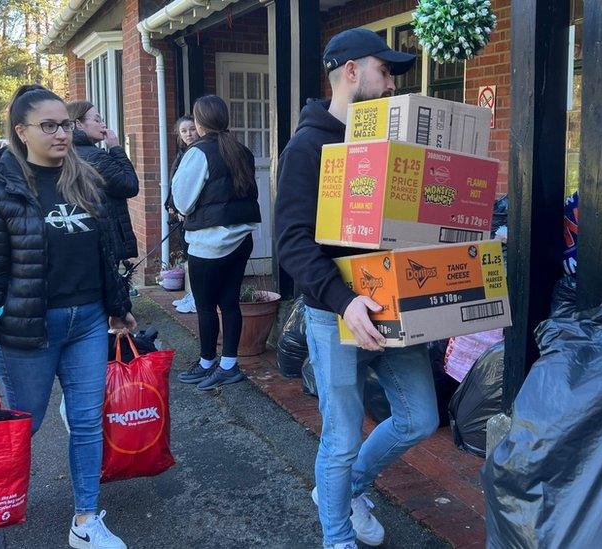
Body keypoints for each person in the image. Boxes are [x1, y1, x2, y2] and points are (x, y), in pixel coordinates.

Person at [274, 28, 437, 549]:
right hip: (334, 312)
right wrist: (345, 303)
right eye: (384, 70)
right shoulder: (308, 146)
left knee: (420, 419)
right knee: (341, 438)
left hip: (390, 303)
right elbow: (292, 245)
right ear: (350, 71)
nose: (390, 83)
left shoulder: (385, 143)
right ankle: (337, 536)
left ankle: (346, 492)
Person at [0, 84, 136, 549]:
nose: (61, 134)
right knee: (25, 423)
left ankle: (85, 519)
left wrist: (119, 309)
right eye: (49, 125)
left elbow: (105, 251)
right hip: (27, 331)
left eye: (66, 125)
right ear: (21, 131)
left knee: (86, 420)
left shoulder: (85, 176)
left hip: (90, 322)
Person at [171, 95, 260, 391]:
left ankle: (208, 362)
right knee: (230, 303)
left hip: (208, 243)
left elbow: (183, 200)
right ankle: (228, 365)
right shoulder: (242, 151)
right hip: (241, 239)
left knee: (206, 306)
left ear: (200, 121)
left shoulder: (198, 152)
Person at [67, 101, 139, 264]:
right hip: (106, 238)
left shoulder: (69, 153)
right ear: (78, 124)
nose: (103, 124)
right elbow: (130, 186)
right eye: (97, 120)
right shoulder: (95, 156)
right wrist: (115, 148)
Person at [167, 116, 200, 314]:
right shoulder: (182, 153)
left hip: (191, 215)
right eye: (184, 131)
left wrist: (182, 208)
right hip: (180, 214)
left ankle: (197, 298)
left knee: (194, 258)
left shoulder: (197, 154)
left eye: (192, 129)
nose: (188, 134)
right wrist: (171, 205)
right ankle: (192, 294)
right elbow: (174, 184)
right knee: (188, 256)